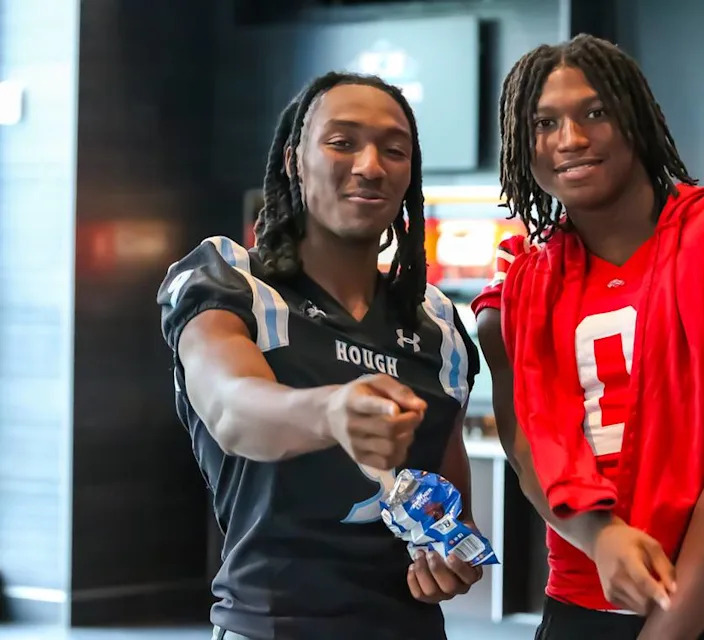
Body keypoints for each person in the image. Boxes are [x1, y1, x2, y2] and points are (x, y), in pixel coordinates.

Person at [472, 34, 704, 640]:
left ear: (639, 118)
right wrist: (600, 537)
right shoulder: (520, 277)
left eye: (595, 112)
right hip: (581, 605)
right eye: (543, 123)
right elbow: (528, 448)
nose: (570, 139)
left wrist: (667, 628)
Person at [157, 72, 482, 640]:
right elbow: (231, 408)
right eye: (342, 142)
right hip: (271, 625)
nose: (370, 165)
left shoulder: (438, 325)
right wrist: (332, 412)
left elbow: (447, 511)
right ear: (294, 160)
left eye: (395, 149)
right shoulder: (232, 280)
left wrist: (449, 559)